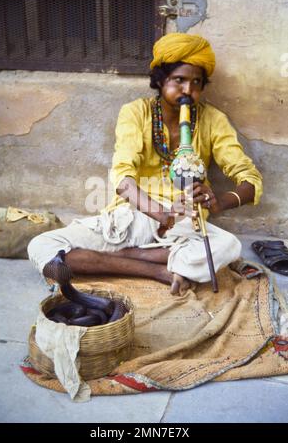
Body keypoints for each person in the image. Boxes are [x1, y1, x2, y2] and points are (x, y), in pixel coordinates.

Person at [28, 33, 263, 295]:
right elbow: (123, 178)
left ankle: (121, 259)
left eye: (196, 82)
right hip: (133, 218)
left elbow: (250, 181)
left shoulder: (213, 120)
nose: (188, 91)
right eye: (179, 80)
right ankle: (157, 269)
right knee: (41, 247)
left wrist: (220, 202)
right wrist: (163, 215)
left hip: (184, 228)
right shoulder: (135, 112)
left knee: (229, 246)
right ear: (161, 80)